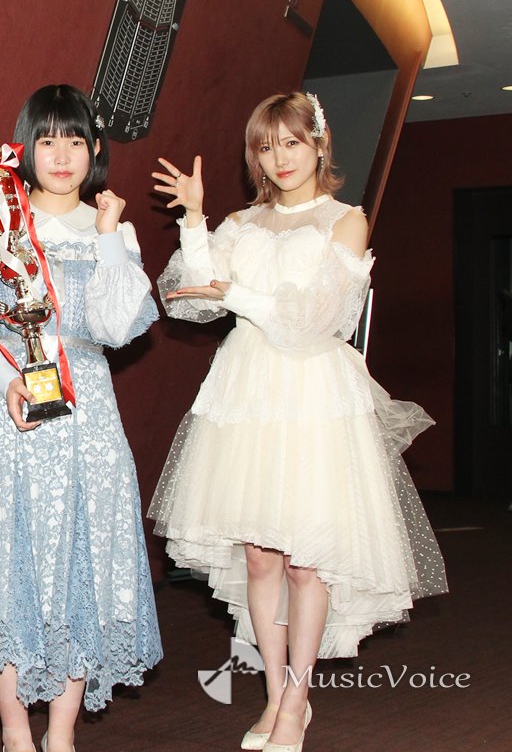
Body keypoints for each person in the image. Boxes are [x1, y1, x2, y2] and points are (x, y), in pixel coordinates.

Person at [148, 92, 447, 752]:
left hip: (312, 391)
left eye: (291, 142)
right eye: (265, 146)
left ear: (318, 143)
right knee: (260, 558)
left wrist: (238, 294)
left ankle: (297, 700)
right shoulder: (241, 221)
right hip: (246, 391)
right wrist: (194, 220)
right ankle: (276, 696)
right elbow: (190, 299)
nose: (279, 158)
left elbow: (317, 319)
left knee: (306, 560)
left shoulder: (346, 221)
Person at [0, 85, 163, 752]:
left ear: (95, 149)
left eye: (76, 140)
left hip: (88, 419)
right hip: (5, 416)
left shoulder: (113, 229)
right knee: (0, 569)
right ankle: (14, 732)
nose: (61, 155)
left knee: (81, 570)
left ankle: (61, 735)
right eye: (47, 139)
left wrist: (111, 237)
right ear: (25, 148)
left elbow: (120, 326)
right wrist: (3, 380)